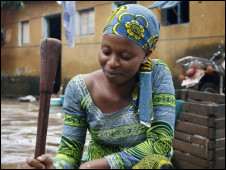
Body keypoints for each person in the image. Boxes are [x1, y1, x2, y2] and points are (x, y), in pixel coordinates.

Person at [23, 4, 175, 169]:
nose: (112, 63)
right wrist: (54, 167)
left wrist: (99, 165)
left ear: (146, 55)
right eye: (106, 52)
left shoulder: (157, 74)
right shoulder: (79, 89)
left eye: (125, 56)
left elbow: (161, 143)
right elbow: (69, 154)